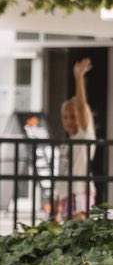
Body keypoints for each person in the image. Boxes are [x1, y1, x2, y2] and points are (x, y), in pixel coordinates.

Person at [54, 58, 96, 222]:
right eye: (65, 117)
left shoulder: (84, 135)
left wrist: (78, 78)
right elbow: (62, 171)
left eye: (73, 116)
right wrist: (57, 202)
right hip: (66, 194)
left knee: (78, 234)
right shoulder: (66, 143)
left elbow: (81, 106)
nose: (69, 121)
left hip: (79, 192)